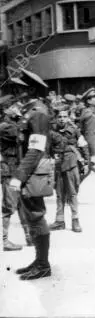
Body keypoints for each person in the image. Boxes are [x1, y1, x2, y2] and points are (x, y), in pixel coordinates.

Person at [8, 94, 53, 280]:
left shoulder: (38, 113)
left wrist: (19, 176)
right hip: (28, 171)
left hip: (33, 172)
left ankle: (43, 265)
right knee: (31, 217)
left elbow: (35, 149)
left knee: (36, 216)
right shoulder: (30, 112)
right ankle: (39, 260)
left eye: (18, 91)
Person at [49, 108, 89, 232]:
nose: (62, 119)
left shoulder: (75, 130)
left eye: (64, 116)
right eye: (60, 116)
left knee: (72, 193)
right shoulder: (51, 131)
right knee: (59, 194)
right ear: (56, 118)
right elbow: (48, 147)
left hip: (71, 163)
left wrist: (86, 161)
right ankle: (59, 220)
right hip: (57, 165)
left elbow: (83, 145)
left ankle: (75, 220)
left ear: (68, 118)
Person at [1, 95, 31, 250]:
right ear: (6, 109)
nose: (18, 108)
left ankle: (28, 236)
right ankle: (5, 241)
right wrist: (24, 118)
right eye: (14, 106)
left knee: (22, 203)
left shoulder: (12, 123)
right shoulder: (5, 126)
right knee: (9, 204)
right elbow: (21, 134)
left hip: (17, 169)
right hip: (9, 170)